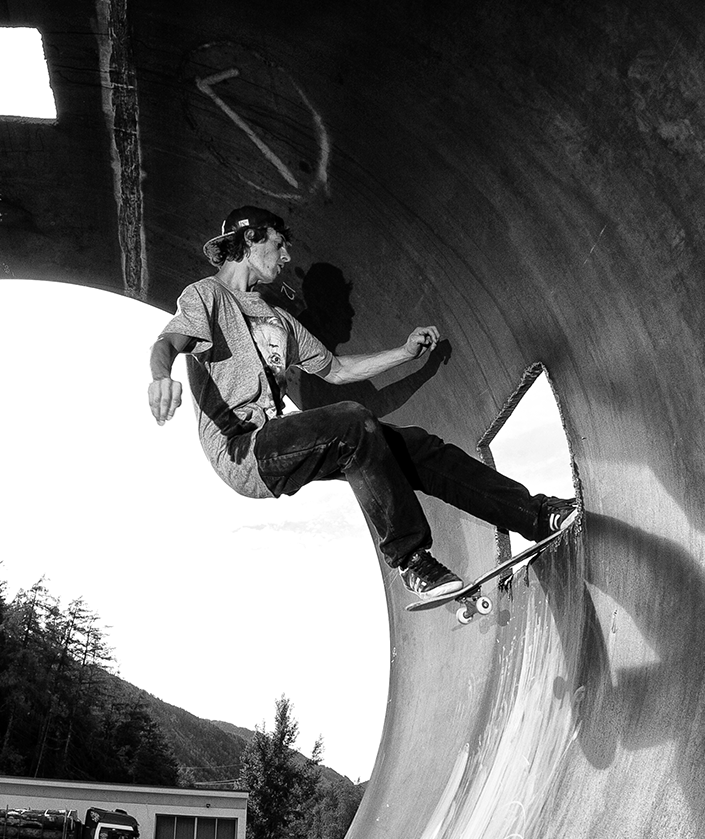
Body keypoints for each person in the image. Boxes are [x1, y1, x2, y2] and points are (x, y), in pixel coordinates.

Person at [146, 206, 576, 600]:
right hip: (243, 448)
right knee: (353, 422)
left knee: (416, 449)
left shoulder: (280, 320)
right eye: (278, 245)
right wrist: (161, 377)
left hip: (283, 441)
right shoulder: (206, 296)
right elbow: (169, 341)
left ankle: (536, 515)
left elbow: (335, 369)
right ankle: (411, 560)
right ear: (250, 239)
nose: (284, 257)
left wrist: (404, 354)